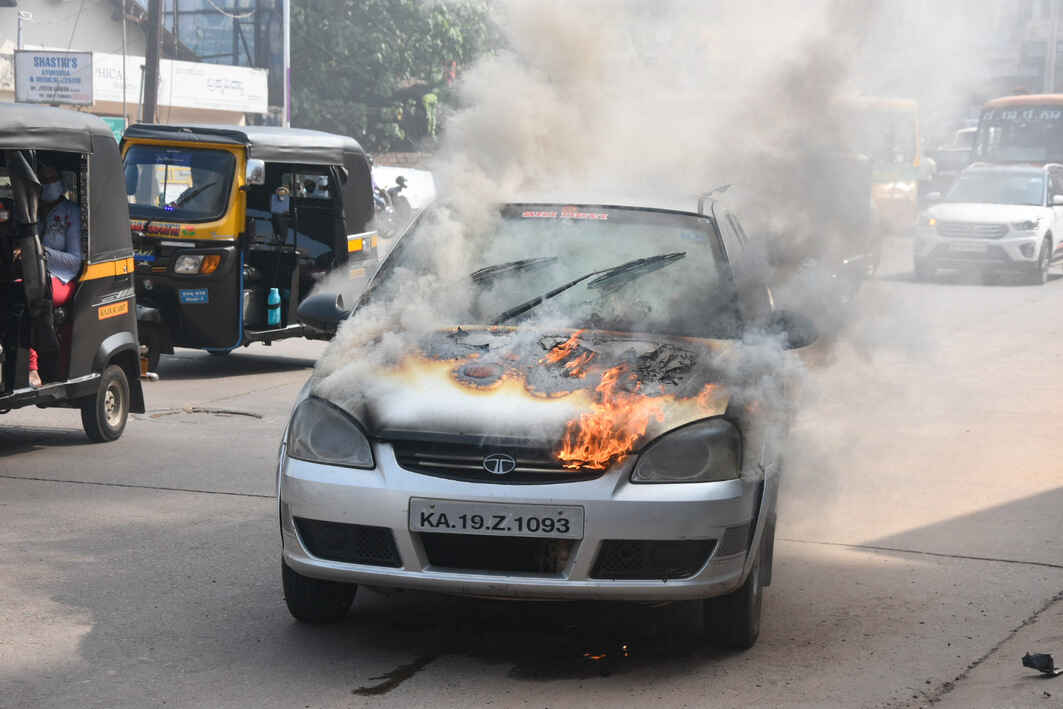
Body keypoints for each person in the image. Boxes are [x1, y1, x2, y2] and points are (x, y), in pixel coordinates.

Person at [27, 166, 82, 387]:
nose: (47, 184)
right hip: (30, 274)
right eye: (42, 179)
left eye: (51, 179)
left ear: (61, 182)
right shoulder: (32, 210)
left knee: (29, 298)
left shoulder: (71, 213)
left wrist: (39, 252)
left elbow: (75, 261)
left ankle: (32, 368)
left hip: (61, 277)